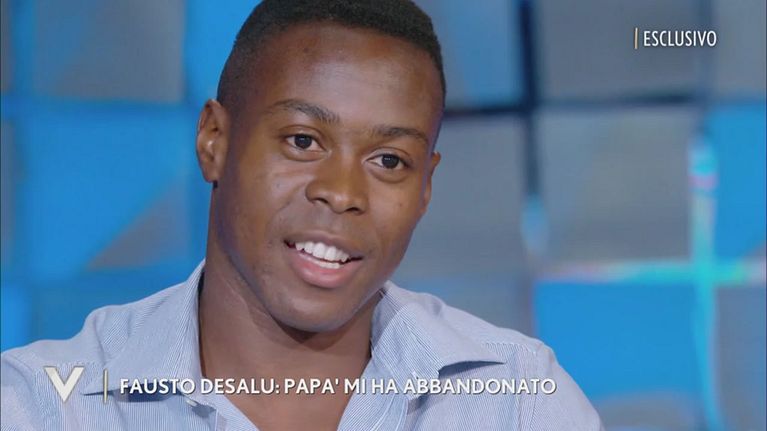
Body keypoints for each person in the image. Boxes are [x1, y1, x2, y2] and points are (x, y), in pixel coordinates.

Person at [0, 1, 603, 429]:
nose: (341, 193)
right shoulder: (46, 406)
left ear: (425, 187)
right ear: (214, 141)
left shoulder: (518, 402)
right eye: (303, 141)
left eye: (389, 160)